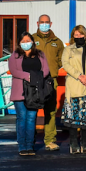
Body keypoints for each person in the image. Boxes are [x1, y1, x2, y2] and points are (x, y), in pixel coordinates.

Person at [9, 32, 50, 156]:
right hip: (20, 91)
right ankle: (22, 146)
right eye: (23, 41)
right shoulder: (15, 55)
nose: (26, 43)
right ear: (19, 43)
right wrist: (28, 76)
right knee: (22, 118)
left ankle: (30, 145)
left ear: (33, 42)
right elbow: (13, 70)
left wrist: (36, 78)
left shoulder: (40, 55)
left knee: (32, 119)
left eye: (28, 40)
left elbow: (46, 70)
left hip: (35, 92)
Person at [61, 25, 86, 154]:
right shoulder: (68, 49)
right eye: (76, 35)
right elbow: (65, 64)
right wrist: (79, 76)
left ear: (85, 35)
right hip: (74, 86)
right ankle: (73, 143)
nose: (78, 37)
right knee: (73, 117)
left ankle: (84, 143)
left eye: (81, 34)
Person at [33, 15, 64, 151]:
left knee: (50, 111)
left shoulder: (57, 42)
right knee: (32, 110)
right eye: (42, 22)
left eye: (46, 22)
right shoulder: (31, 39)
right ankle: (30, 140)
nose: (44, 24)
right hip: (34, 80)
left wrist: (54, 68)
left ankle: (50, 140)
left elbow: (62, 59)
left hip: (51, 80)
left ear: (50, 23)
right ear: (37, 23)